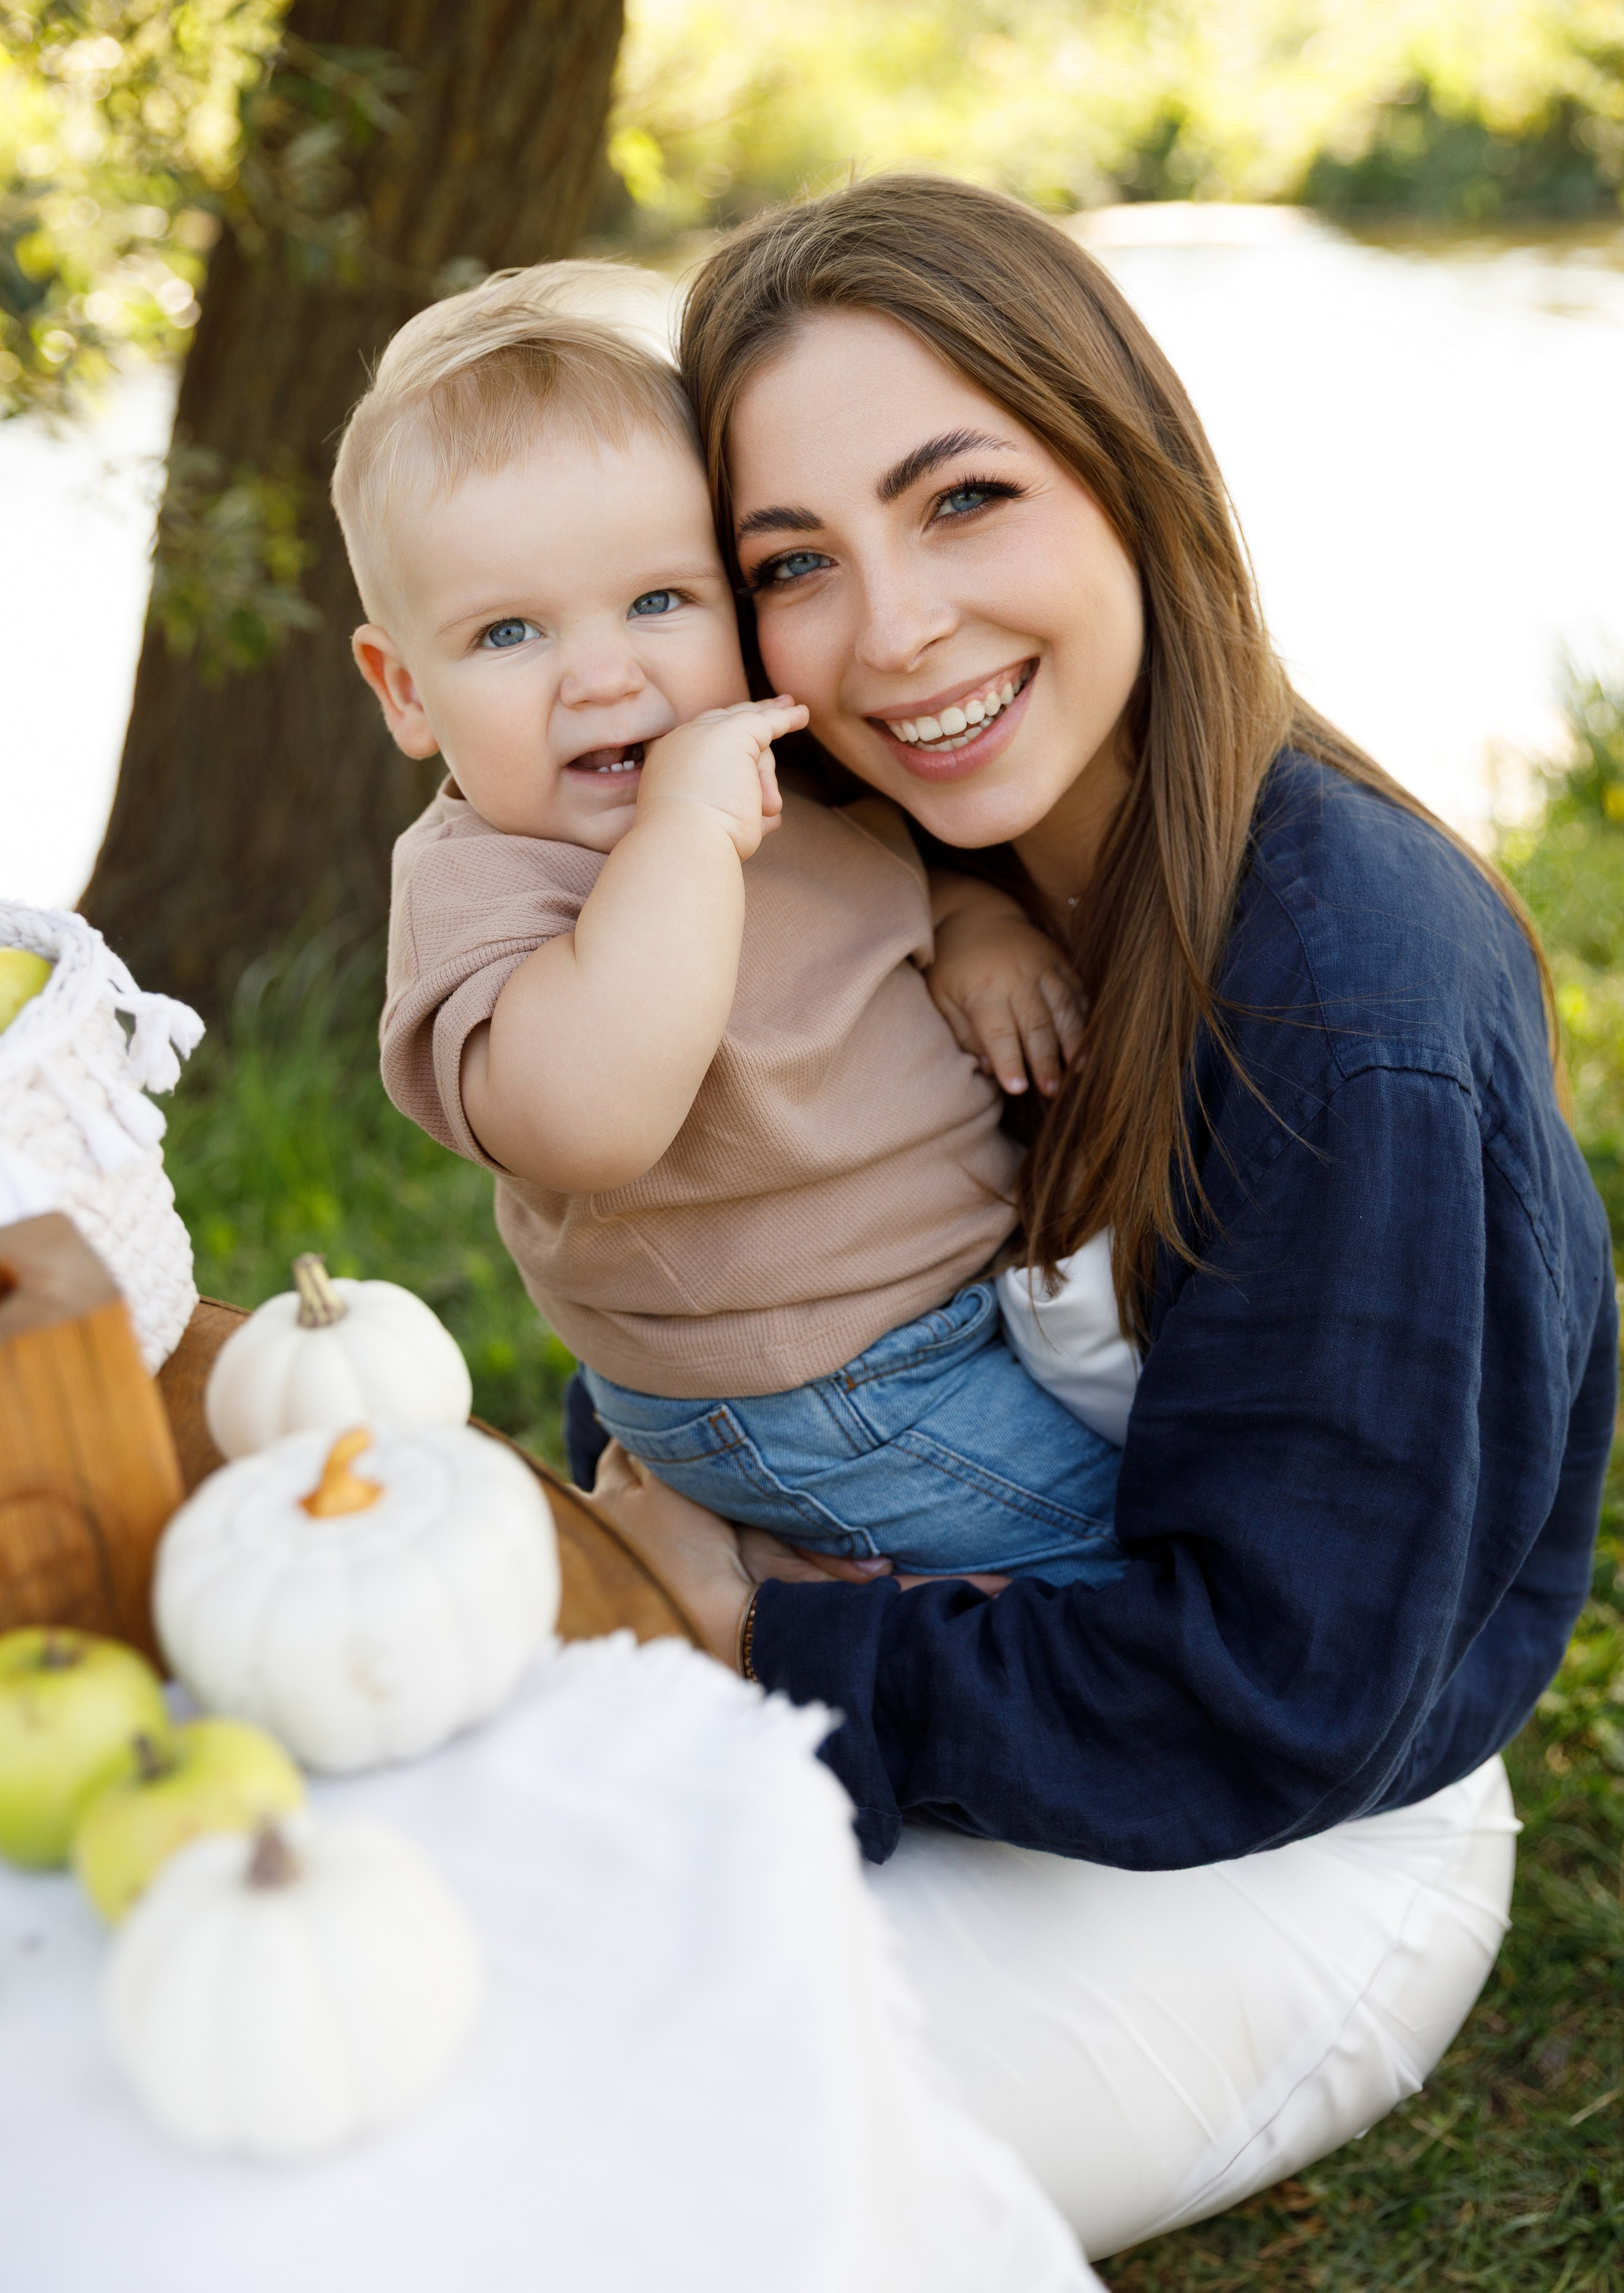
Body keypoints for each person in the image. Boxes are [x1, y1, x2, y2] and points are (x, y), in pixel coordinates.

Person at [572, 175, 1618, 2257]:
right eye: (798, 562)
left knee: (657, 2141)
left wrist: (730, 1629)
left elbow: (1281, 1692)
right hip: (951, 1703)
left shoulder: (1353, 1003)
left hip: (1284, 1846)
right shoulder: (823, 897)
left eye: (963, 500)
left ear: (1130, 475)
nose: (893, 631)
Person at [332, 261, 1137, 1593]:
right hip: (807, 1386)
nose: (604, 676)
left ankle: (747, 1587)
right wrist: (683, 839)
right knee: (1118, 1573)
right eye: (510, 631)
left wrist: (967, 924)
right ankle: (735, 1601)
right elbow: (588, 1118)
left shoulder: (760, 764)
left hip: (938, 1313)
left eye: (658, 602)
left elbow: (867, 880)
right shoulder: (492, 878)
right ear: (405, 690)